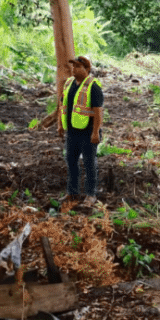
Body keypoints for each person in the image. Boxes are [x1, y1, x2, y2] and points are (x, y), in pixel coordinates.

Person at [57, 55, 104, 207]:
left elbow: (98, 112)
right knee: (71, 161)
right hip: (72, 131)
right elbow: (62, 105)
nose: (74, 69)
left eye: (78, 67)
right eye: (73, 66)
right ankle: (72, 192)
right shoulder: (69, 83)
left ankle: (90, 195)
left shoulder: (93, 86)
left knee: (89, 163)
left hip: (88, 131)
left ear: (87, 69)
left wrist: (96, 132)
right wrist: (59, 125)